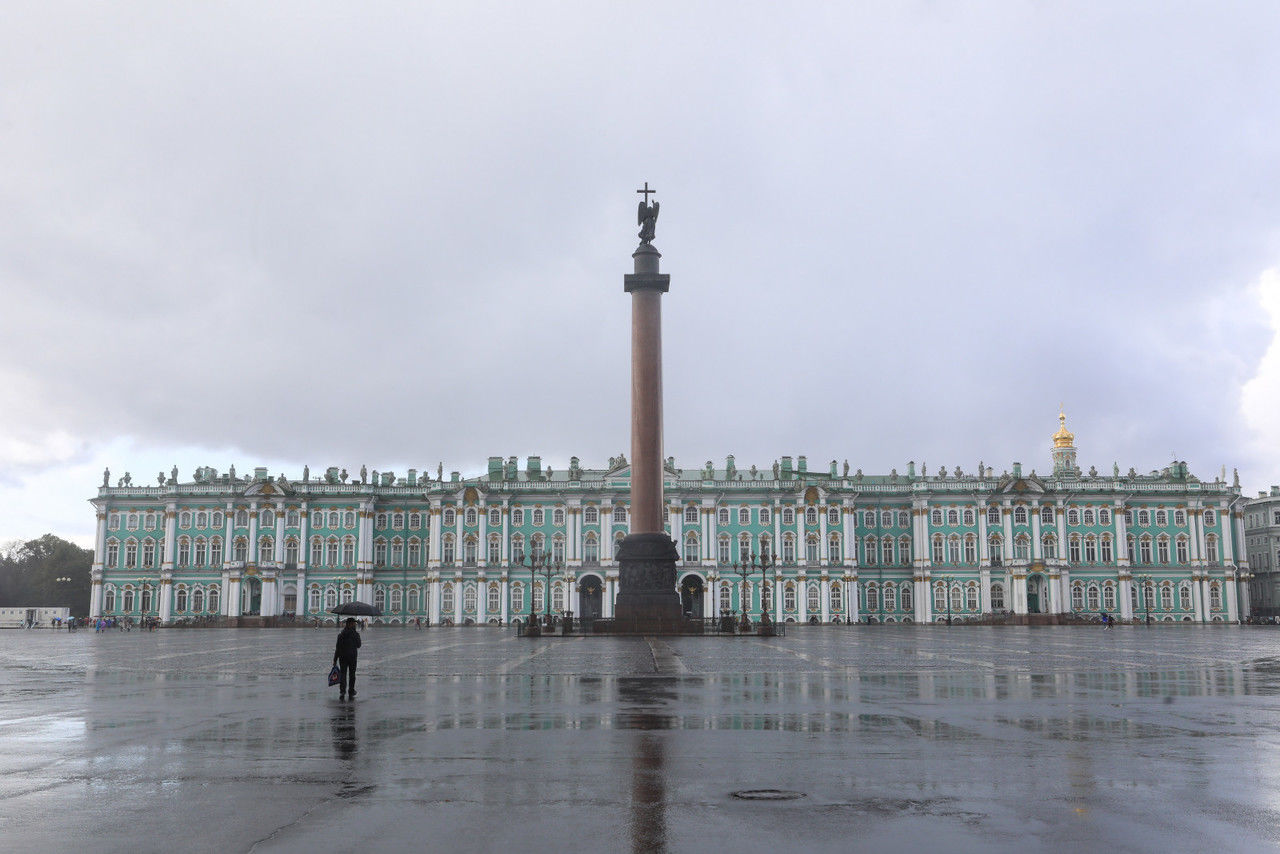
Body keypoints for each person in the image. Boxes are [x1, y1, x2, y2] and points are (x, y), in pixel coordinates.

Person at [333, 617, 362, 700]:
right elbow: (359, 645)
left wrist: (335, 660)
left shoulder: (341, 634)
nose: (355, 624)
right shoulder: (355, 634)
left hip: (342, 657)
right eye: (354, 623)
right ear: (351, 624)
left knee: (343, 674)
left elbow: (337, 648)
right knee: (352, 675)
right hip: (352, 657)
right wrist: (356, 636)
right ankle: (351, 690)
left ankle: (342, 691)